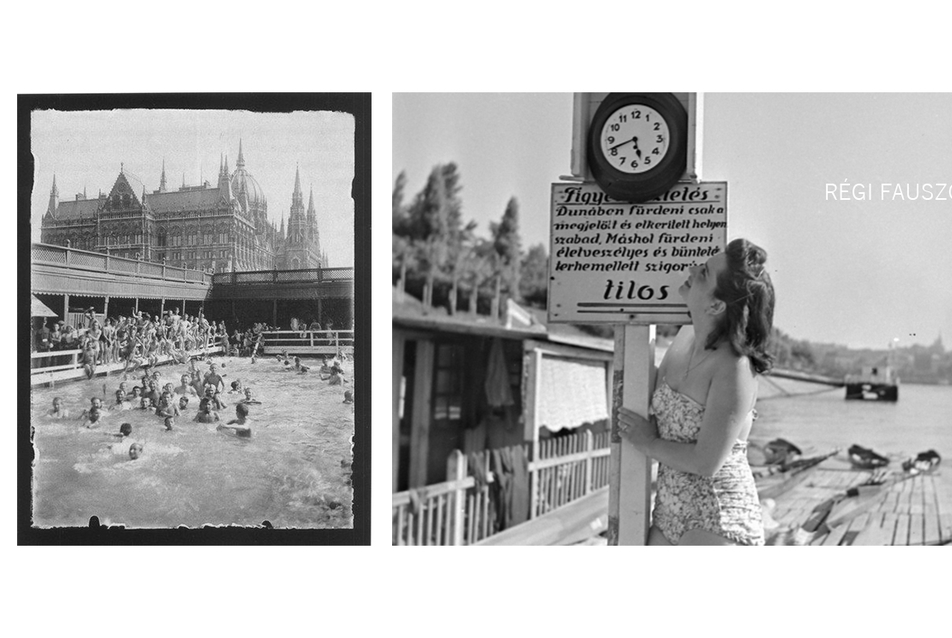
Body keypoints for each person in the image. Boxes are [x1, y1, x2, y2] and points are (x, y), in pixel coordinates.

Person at [617, 238, 775, 546]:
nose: (691, 269)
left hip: (718, 518)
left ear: (716, 305)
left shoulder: (735, 367)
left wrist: (648, 441)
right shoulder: (685, 337)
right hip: (667, 513)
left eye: (703, 272)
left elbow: (706, 462)